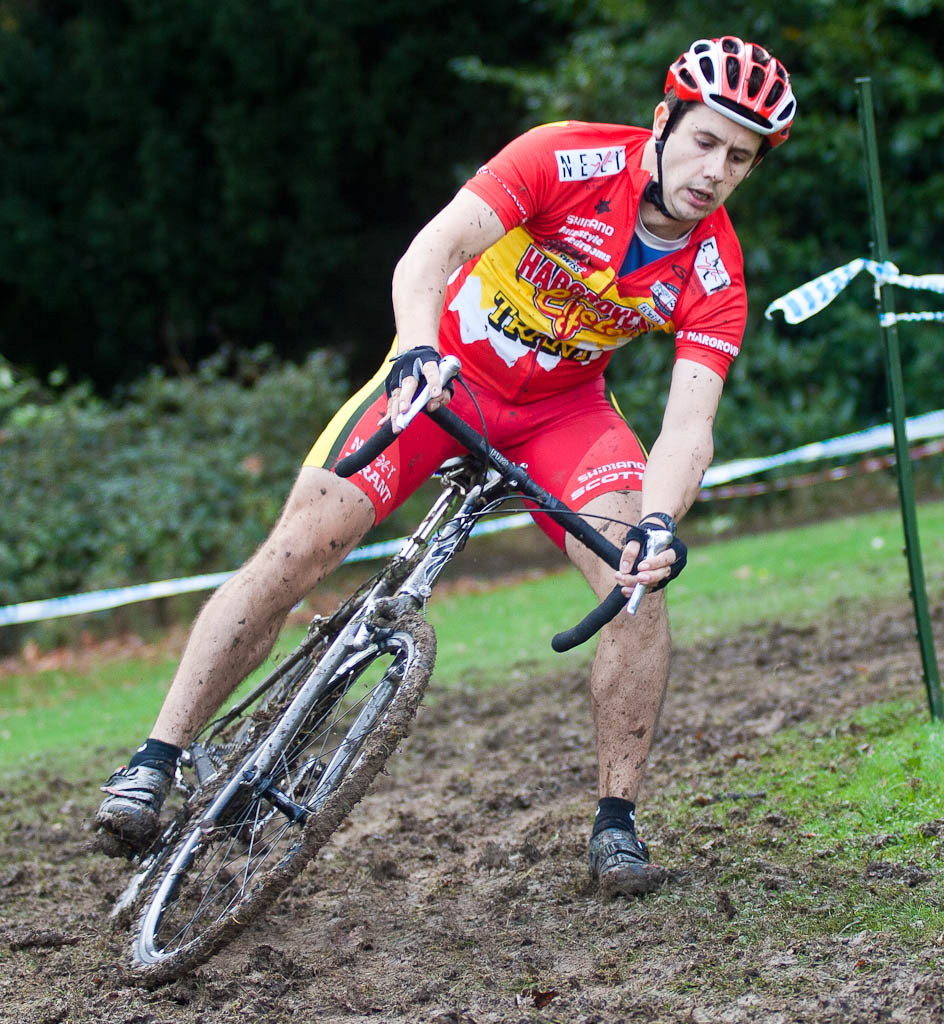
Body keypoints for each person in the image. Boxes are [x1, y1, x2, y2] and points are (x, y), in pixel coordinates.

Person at [96, 36, 796, 898]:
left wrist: (659, 521)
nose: (714, 169)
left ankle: (616, 823)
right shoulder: (563, 156)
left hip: (562, 414)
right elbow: (428, 254)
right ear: (662, 120)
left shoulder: (716, 269)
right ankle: (154, 760)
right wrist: (417, 352)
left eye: (738, 157)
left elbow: (689, 424)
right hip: (447, 375)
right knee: (301, 548)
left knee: (635, 586)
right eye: (703, 140)